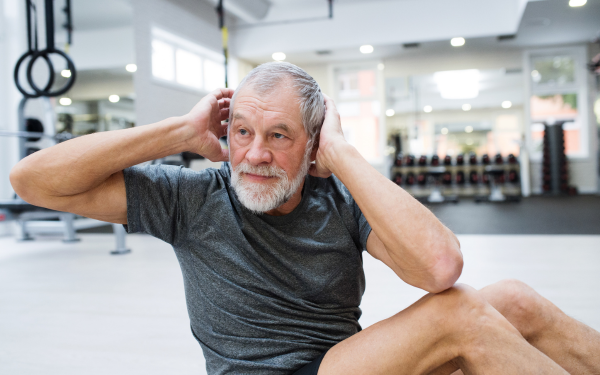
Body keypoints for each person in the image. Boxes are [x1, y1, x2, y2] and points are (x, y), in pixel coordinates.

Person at [9, 62, 600, 375]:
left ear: (312, 142)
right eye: (242, 132)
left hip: (339, 364)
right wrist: (180, 132)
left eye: (278, 135)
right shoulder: (190, 197)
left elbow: (438, 265)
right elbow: (30, 180)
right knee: (465, 317)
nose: (256, 154)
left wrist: (341, 156)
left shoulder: (338, 198)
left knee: (514, 300)